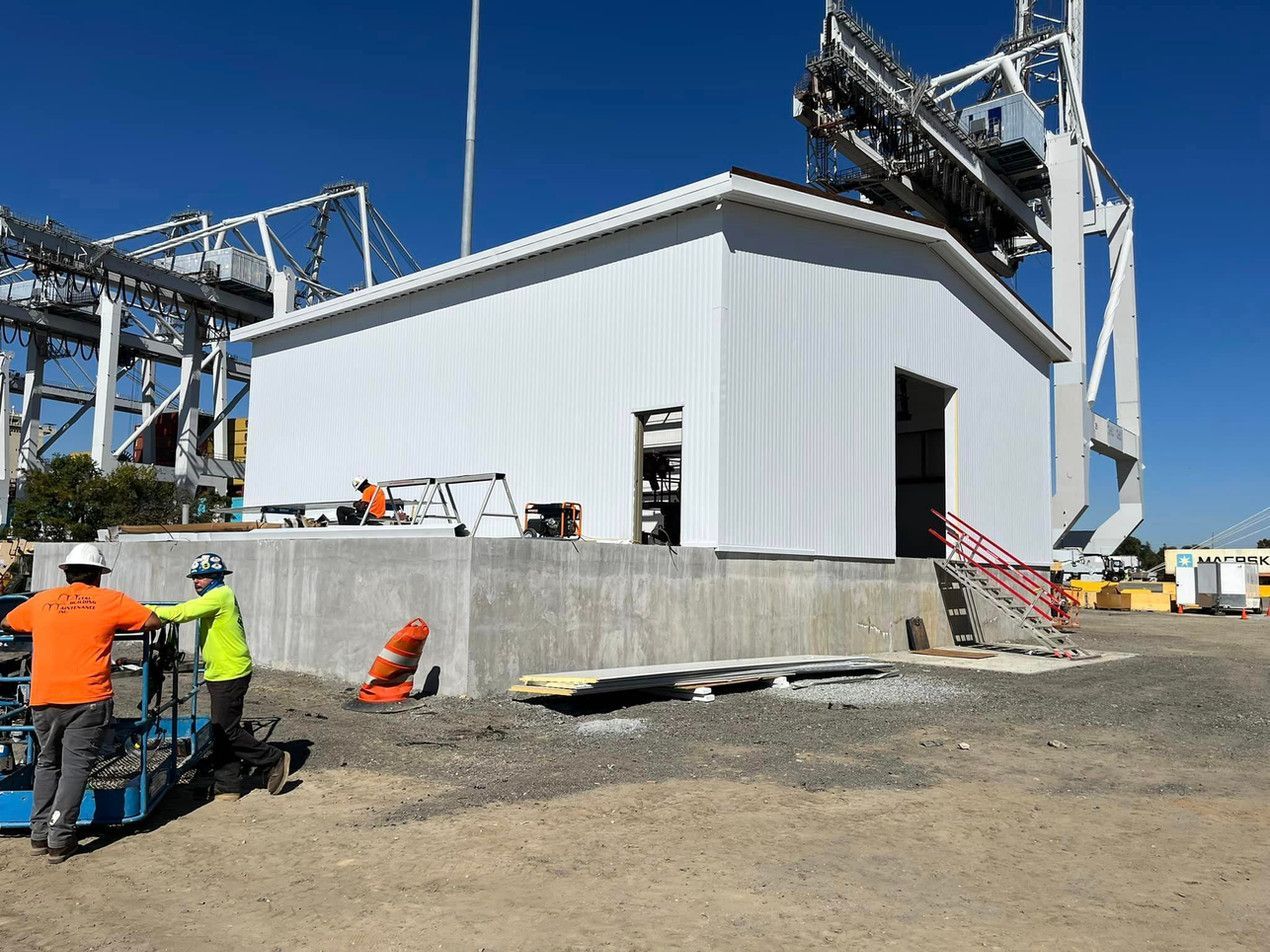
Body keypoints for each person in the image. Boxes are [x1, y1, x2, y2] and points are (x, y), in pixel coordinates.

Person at [1, 543, 164, 864]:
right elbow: (152, 621)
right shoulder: (110, 600)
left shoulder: (42, 600)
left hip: (44, 698)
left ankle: (38, 834)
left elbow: (7, 622)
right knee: (75, 768)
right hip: (88, 697)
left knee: (48, 763)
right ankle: (59, 839)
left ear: (67, 573)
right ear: (99, 575)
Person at [147, 553, 290, 802]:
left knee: (226, 730)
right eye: (195, 577)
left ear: (217, 577)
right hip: (221, 671)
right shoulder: (215, 597)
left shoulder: (220, 595)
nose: (197, 581)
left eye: (202, 577)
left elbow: (181, 613)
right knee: (222, 729)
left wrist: (141, 611)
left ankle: (273, 758)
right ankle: (228, 785)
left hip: (230, 672)